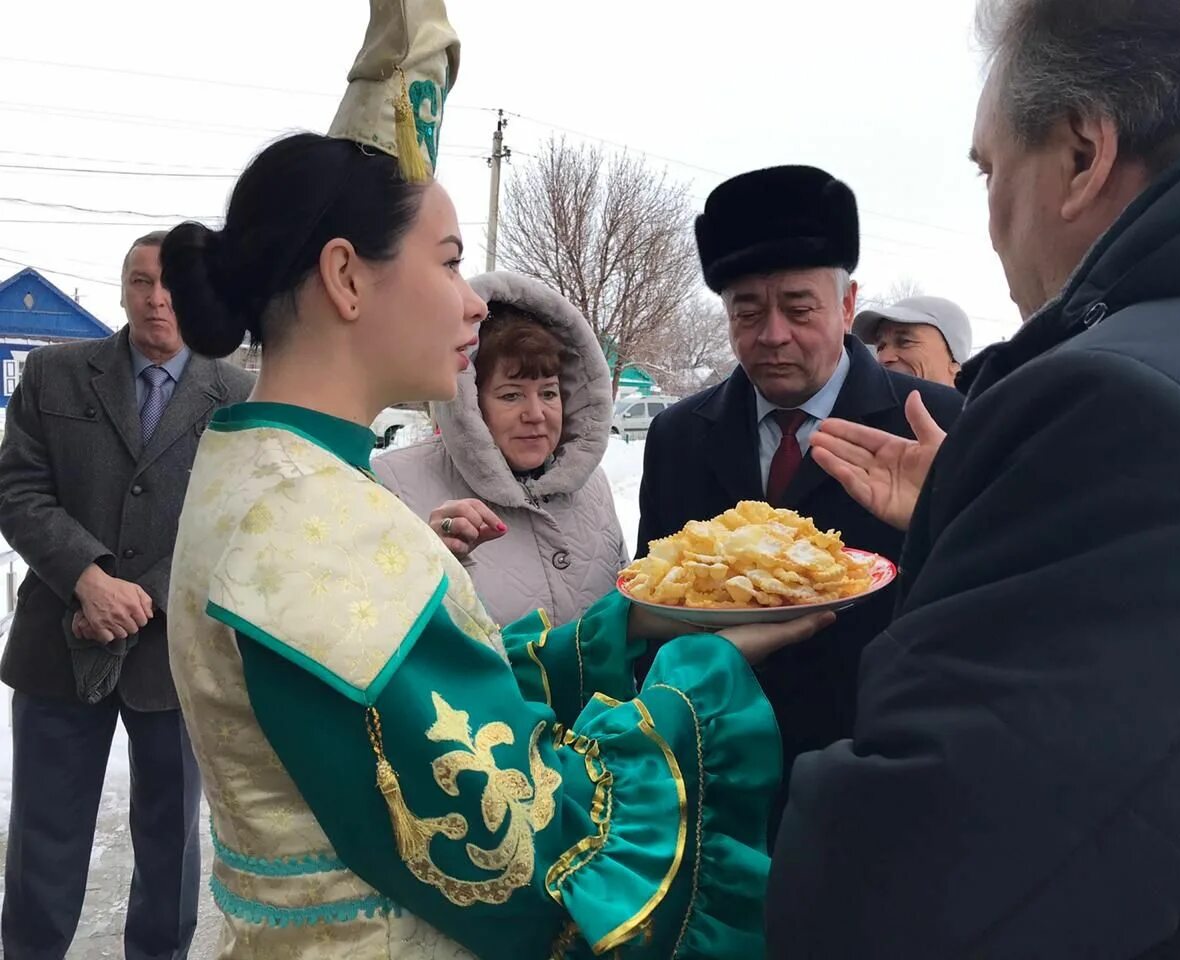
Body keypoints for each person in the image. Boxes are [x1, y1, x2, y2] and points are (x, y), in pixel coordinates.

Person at [160, 4, 829, 957]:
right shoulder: (314, 522)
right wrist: (703, 676)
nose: (473, 301)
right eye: (449, 262)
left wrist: (633, 628)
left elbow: (435, 704)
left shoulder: (272, 475)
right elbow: (519, 846)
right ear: (348, 279)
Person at [769, 1, 1180, 956]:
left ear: (1083, 154)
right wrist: (981, 513)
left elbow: (907, 887)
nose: (995, 215)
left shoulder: (1127, 412)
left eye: (991, 168)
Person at [637, 165, 963, 833]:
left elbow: (983, 612)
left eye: (800, 307)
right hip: (719, 788)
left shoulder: (935, 424)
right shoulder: (679, 436)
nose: (773, 334)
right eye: (747, 312)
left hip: (882, 783)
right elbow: (655, 604)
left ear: (847, 307)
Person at [0, 230, 254, 958]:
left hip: (176, 657)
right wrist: (85, 575)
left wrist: (135, 594)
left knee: (170, 846)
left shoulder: (236, 394)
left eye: (171, 283)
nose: (157, 298)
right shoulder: (54, 374)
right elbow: (17, 488)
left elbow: (240, 517)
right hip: (59, 646)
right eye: (141, 281)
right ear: (121, 290)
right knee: (45, 840)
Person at [375, 271, 629, 627]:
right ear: (470, 404)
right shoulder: (396, 485)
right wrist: (427, 560)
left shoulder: (592, 486)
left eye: (549, 392)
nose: (536, 414)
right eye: (511, 395)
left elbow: (623, 613)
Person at [853, 295, 972, 386]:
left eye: (905, 342)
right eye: (880, 347)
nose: (884, 358)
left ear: (954, 362)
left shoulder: (984, 417)